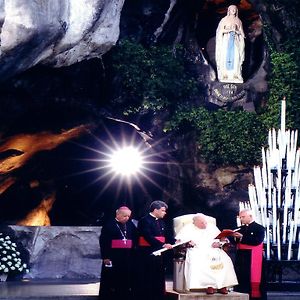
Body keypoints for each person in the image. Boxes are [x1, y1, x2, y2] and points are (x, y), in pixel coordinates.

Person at [175, 213, 238, 294]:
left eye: (205, 222)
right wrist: (188, 243)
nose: (205, 224)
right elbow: (179, 241)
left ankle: (222, 285)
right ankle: (209, 286)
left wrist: (219, 244)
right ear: (194, 223)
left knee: (225, 260)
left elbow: (223, 239)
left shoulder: (212, 227)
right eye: (202, 223)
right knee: (203, 261)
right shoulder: (188, 228)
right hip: (197, 250)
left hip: (213, 249)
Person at [99, 206, 138, 300]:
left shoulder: (130, 225)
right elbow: (103, 242)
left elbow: (135, 237)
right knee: (111, 280)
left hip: (127, 257)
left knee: (125, 280)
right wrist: (106, 257)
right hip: (113, 257)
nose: (127, 218)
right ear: (118, 214)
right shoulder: (109, 225)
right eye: (125, 216)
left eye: (128, 216)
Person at [136, 200, 173, 300]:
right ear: (155, 210)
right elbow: (148, 236)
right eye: (163, 210)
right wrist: (163, 245)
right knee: (148, 278)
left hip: (159, 254)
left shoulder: (161, 222)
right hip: (147, 254)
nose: (165, 213)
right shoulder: (144, 220)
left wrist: (176, 241)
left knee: (158, 278)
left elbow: (167, 236)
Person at [232, 209, 265, 299]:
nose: (241, 219)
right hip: (241, 257)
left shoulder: (259, 228)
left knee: (251, 278)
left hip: (252, 257)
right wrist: (234, 237)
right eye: (240, 217)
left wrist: (242, 237)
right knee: (241, 278)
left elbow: (257, 241)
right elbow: (236, 243)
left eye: (243, 217)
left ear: (250, 216)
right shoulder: (240, 229)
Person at [215, 5, 245, 83]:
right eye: (232, 9)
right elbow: (220, 31)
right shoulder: (224, 20)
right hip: (226, 40)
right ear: (229, 10)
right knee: (225, 55)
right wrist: (229, 30)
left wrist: (237, 32)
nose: (233, 10)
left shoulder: (238, 21)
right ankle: (225, 74)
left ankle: (235, 74)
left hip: (235, 40)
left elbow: (242, 33)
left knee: (236, 56)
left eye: (235, 9)